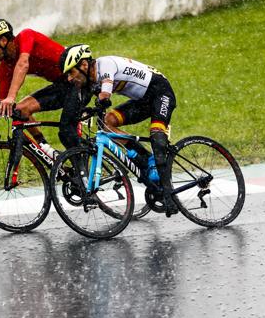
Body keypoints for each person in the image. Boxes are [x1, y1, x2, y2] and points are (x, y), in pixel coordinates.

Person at [60, 44, 179, 215]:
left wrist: (101, 100)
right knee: (107, 122)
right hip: (143, 101)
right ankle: (145, 158)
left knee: (157, 135)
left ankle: (169, 195)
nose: (70, 78)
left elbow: (105, 93)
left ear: (84, 65)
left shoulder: (105, 65)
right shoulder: (91, 80)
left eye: (71, 72)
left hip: (161, 92)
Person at [0, 18, 74, 157]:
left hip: (78, 80)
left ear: (3, 40)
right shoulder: (5, 67)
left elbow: (23, 64)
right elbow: (1, 104)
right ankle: (48, 152)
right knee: (20, 110)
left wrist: (11, 97)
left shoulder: (26, 36)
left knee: (67, 132)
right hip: (62, 86)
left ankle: (82, 167)